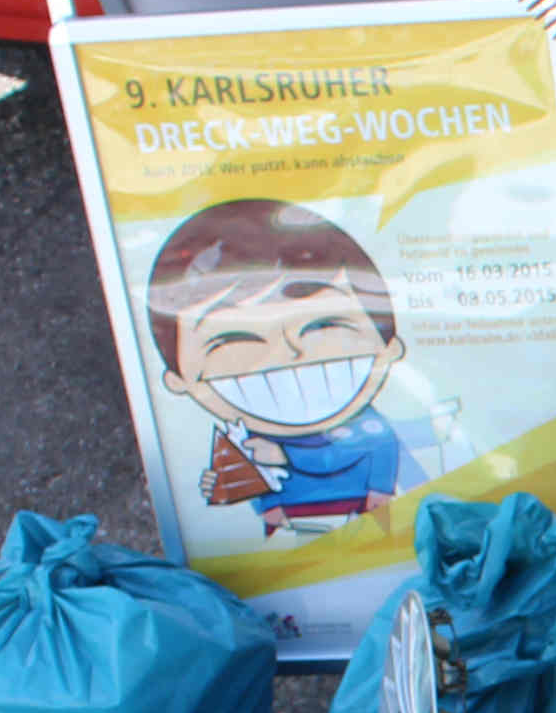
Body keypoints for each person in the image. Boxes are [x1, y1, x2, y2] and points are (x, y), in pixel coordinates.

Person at [144, 198, 423, 534]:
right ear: (178, 380)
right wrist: (235, 488)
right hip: (286, 534)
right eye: (235, 340)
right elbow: (251, 481)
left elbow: (371, 450)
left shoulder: (367, 426)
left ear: (389, 348)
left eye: (323, 326)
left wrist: (289, 459)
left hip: (360, 514)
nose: (291, 352)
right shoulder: (250, 436)